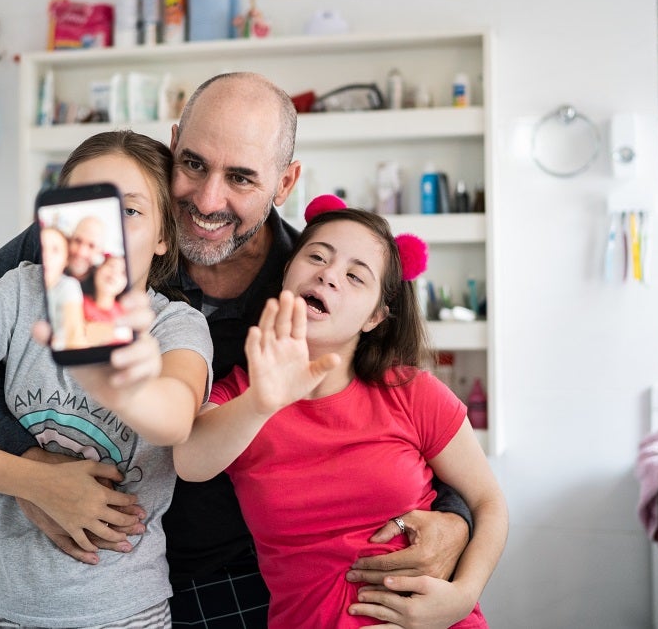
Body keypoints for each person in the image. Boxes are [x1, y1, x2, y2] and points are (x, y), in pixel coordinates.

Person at [0, 72, 474, 627]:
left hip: (249, 576)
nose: (208, 200)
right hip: (74, 568)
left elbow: (392, 409)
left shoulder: (310, 281)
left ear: (285, 184)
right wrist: (28, 470)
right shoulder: (107, 229)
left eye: (241, 178)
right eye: (195, 164)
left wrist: (455, 516)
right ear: (174, 143)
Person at [0, 130, 213, 628]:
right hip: (0, 606)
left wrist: (124, 385)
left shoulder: (174, 326)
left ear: (164, 236)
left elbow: (174, 421)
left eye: (131, 211)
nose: (104, 233)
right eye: (85, 209)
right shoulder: (19, 295)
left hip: (123, 613)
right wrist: (36, 483)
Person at [174, 196, 508, 628]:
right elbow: (189, 462)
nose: (329, 275)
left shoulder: (412, 392)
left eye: (355, 277)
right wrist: (262, 403)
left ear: (375, 317)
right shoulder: (240, 393)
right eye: (316, 256)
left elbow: (489, 503)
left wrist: (463, 596)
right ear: (287, 273)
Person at [40, 225, 85, 350]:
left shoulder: (69, 286)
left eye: (55, 250)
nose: (46, 256)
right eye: (42, 248)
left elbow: (74, 333)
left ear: (66, 259)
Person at [83, 255, 131, 346]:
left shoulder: (126, 314)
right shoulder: (78, 303)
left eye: (123, 272)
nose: (114, 273)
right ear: (98, 268)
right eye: (111, 265)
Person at [66, 214, 107, 281]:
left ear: (100, 251)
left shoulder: (100, 283)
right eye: (78, 241)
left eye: (91, 246)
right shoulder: (52, 270)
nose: (81, 252)